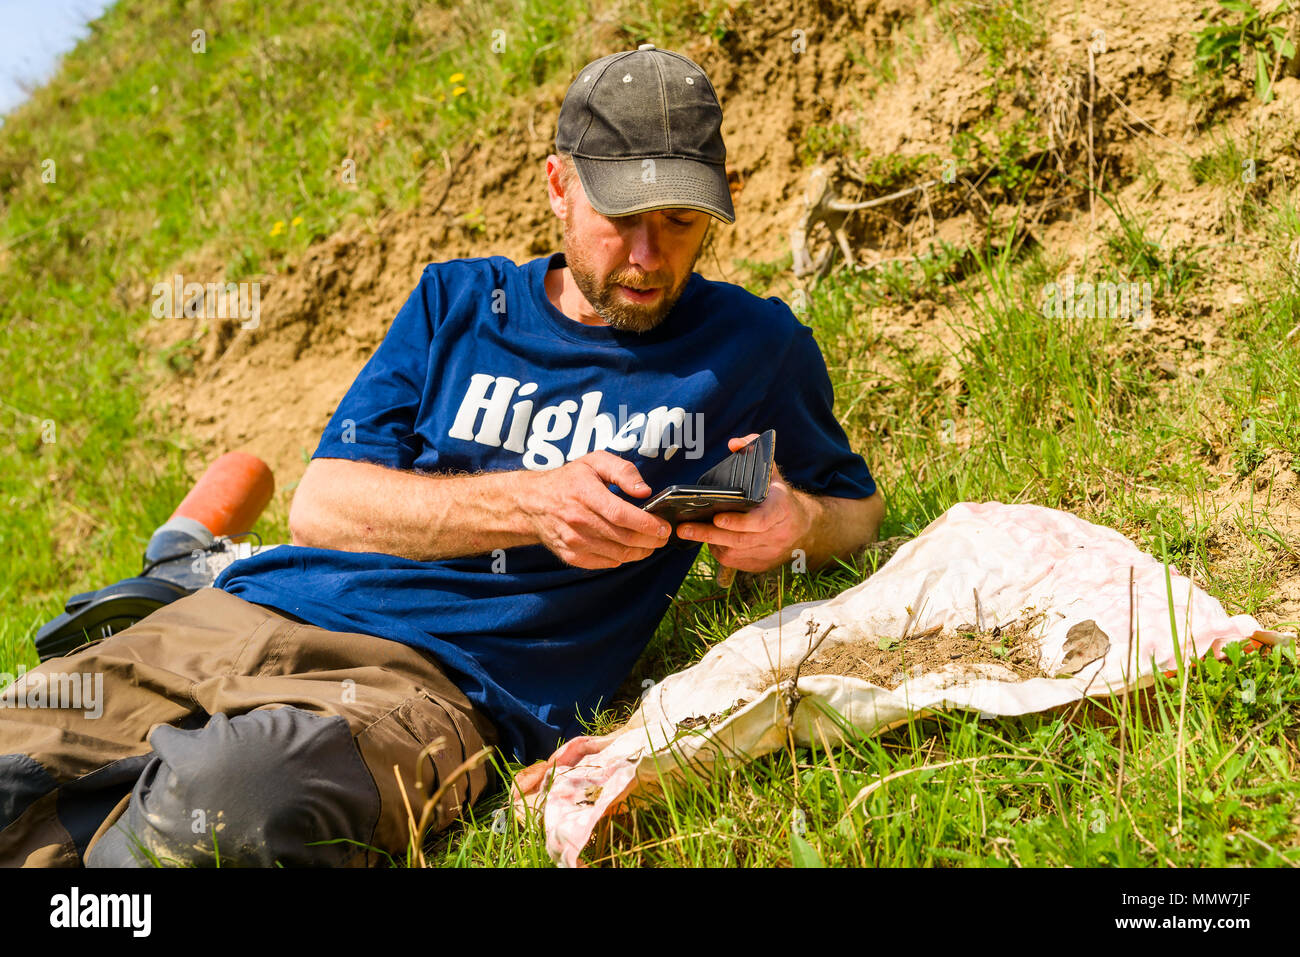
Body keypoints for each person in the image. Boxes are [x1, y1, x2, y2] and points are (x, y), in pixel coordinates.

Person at [0, 45, 882, 868]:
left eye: (681, 222)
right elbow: (323, 506)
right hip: (238, 614)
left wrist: (796, 522)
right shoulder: (455, 302)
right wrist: (529, 504)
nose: (649, 257)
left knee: (230, 802)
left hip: (433, 689)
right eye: (621, 218)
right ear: (558, 186)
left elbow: (857, 508)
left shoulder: (755, 347)